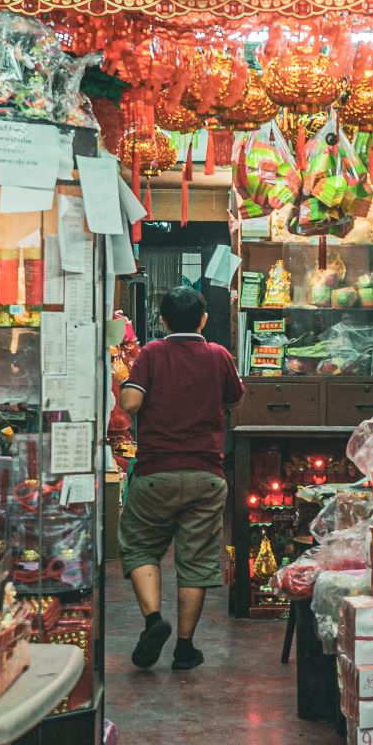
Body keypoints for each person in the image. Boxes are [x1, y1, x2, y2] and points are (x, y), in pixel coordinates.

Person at [117, 285, 243, 671]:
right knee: (197, 559)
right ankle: (185, 648)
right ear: (203, 319)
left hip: (156, 472)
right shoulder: (219, 355)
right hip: (207, 475)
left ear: (163, 320)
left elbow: (130, 403)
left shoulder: (153, 353)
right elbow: (236, 398)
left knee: (140, 546)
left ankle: (154, 621)